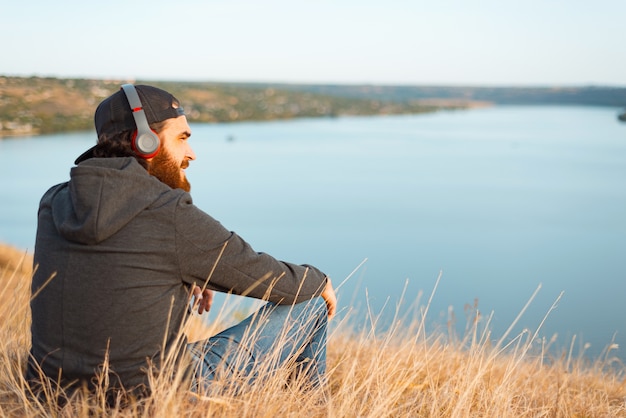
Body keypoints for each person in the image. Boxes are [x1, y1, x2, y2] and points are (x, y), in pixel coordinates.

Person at [26, 84, 337, 401]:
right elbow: (269, 278)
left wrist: (178, 272)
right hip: (148, 395)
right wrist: (319, 279)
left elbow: (102, 270)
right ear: (144, 142)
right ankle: (313, 407)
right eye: (182, 138)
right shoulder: (166, 211)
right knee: (309, 301)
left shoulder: (54, 201)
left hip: (50, 392)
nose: (191, 154)